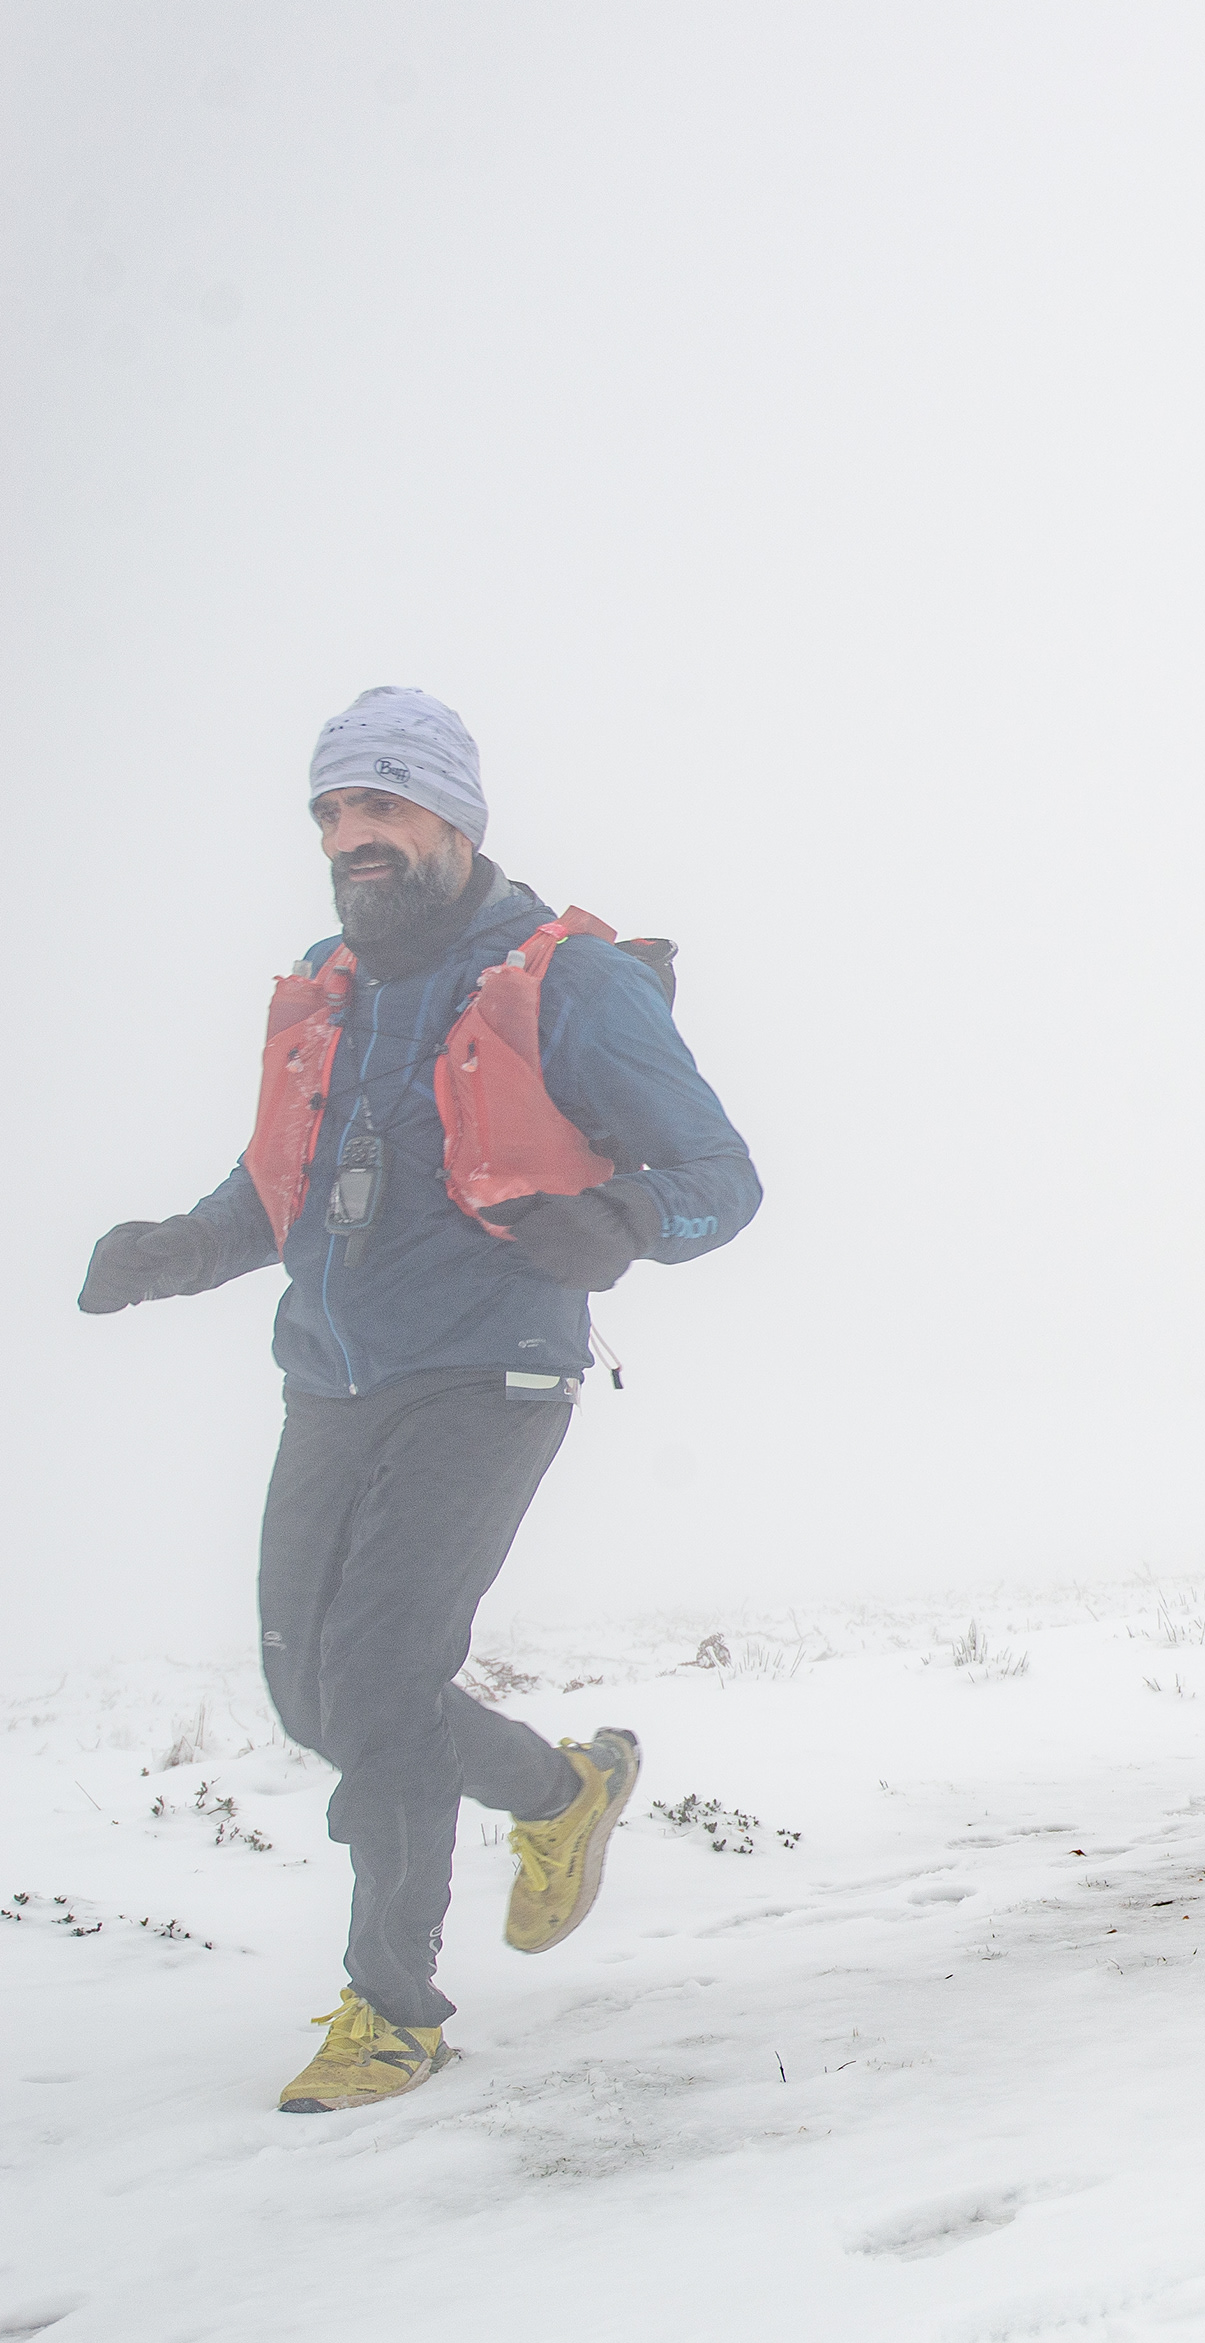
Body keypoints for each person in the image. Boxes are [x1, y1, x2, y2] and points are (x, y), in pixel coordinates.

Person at [76, 687, 762, 2111]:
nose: (353, 834)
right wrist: (181, 1249)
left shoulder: (568, 980)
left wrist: (625, 1220)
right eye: (333, 811)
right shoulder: (332, 985)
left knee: (381, 1679)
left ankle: (392, 2010)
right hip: (331, 1374)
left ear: (453, 817)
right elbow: (280, 1185)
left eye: (382, 804)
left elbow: (724, 1178)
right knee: (311, 1694)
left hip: (492, 1369)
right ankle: (562, 1793)